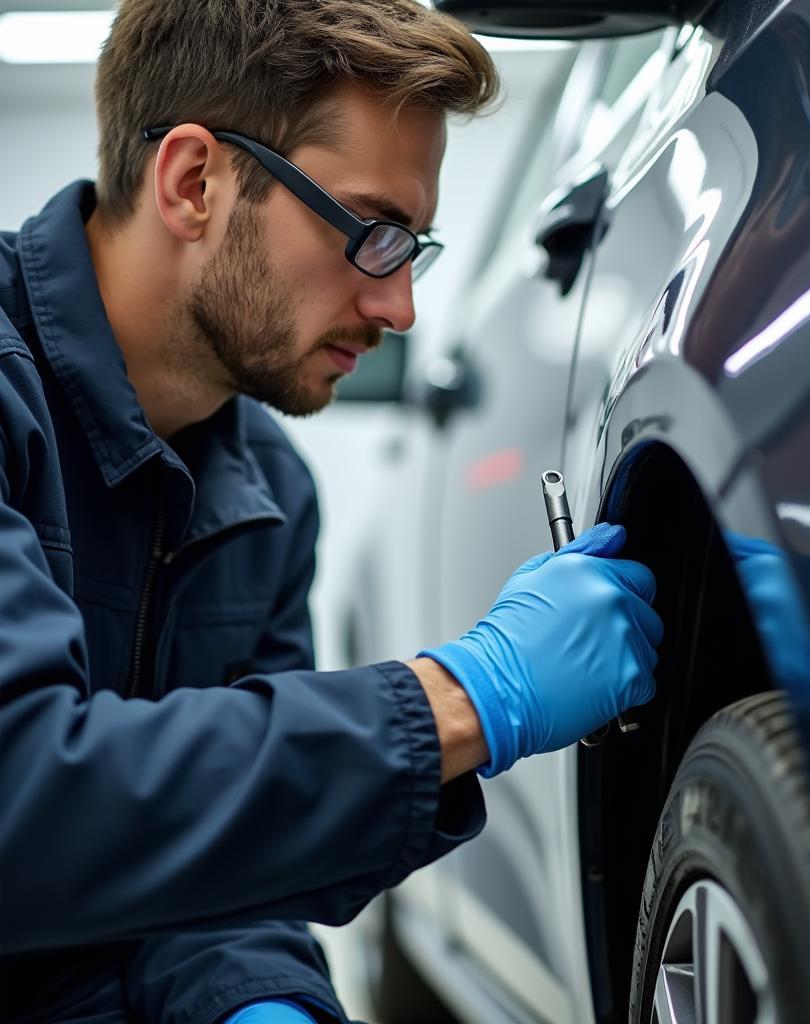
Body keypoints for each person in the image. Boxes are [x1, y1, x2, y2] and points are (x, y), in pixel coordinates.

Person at [0, 1, 664, 1021]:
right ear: (194, 182)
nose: (400, 310)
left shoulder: (268, 494)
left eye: (414, 249)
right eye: (374, 234)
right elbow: (22, 807)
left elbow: (220, 873)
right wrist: (457, 699)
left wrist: (260, 1000)